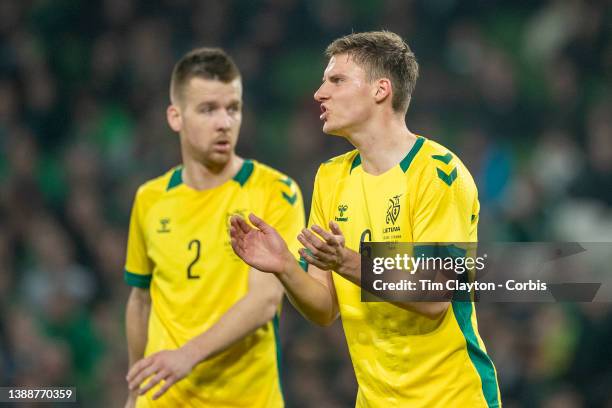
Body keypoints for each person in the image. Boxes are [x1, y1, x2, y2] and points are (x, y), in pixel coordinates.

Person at [230, 31, 501, 407]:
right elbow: (325, 308)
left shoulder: (437, 174)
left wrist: (346, 261)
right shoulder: (330, 177)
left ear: (381, 90)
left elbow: (436, 295)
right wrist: (284, 267)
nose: (319, 93)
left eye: (336, 80)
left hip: (452, 397)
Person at [123, 47, 304, 407]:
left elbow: (266, 301)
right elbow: (141, 300)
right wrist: (134, 390)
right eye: (208, 109)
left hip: (244, 398)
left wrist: (187, 355)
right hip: (164, 400)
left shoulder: (274, 191)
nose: (224, 122)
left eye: (233, 108)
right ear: (175, 117)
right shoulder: (150, 198)